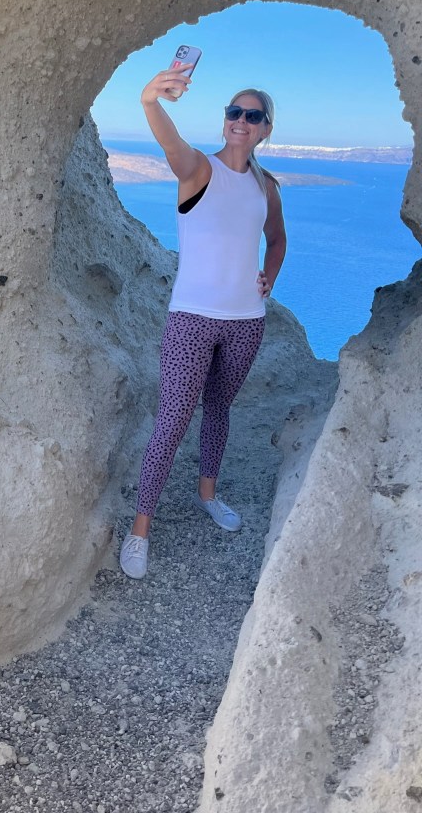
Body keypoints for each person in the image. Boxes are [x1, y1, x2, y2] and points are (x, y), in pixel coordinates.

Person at [119, 63, 287, 580]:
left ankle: (207, 495)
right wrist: (151, 101)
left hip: (245, 321)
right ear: (225, 121)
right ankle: (139, 528)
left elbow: (277, 239)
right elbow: (171, 145)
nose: (241, 120)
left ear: (265, 128)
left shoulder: (267, 185)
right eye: (234, 112)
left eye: (252, 115)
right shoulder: (198, 170)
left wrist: (269, 276)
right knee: (172, 420)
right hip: (192, 318)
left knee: (219, 409)